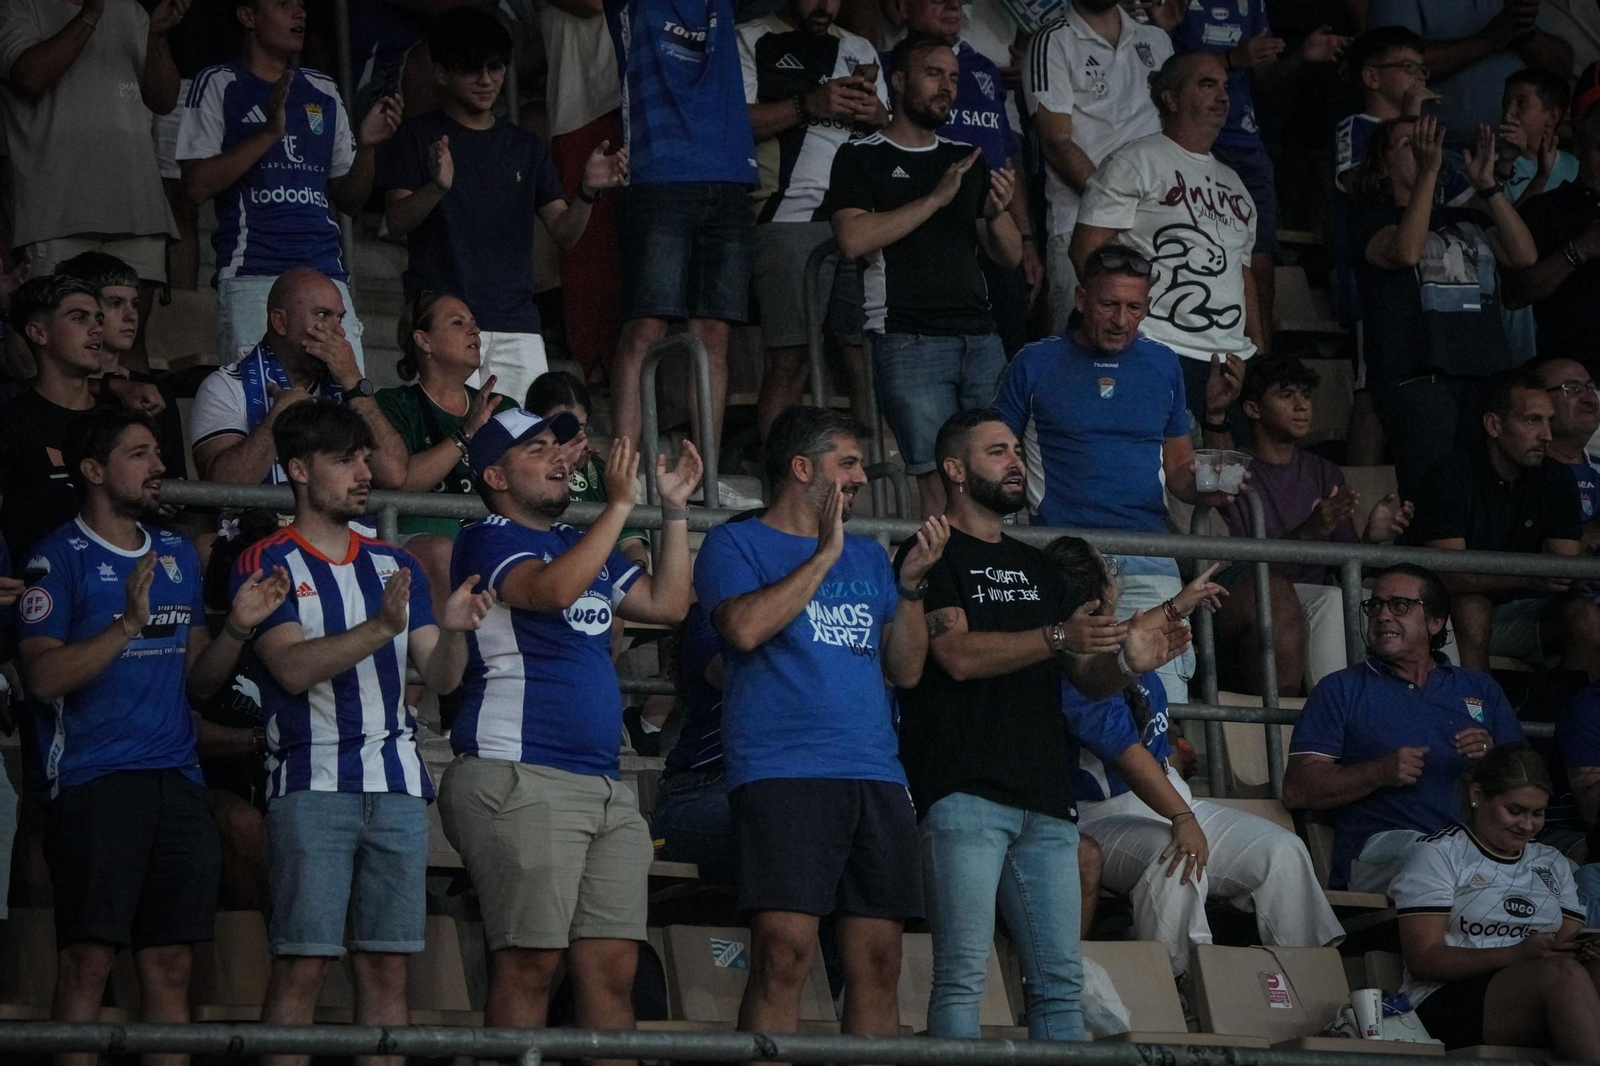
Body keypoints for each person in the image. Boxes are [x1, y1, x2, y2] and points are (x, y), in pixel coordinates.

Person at [897, 408, 1193, 1039]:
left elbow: (1084, 677)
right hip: (963, 790)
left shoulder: (1038, 567)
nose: (1013, 461)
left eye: (1014, 450)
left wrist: (1126, 664)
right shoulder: (932, 552)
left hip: (1047, 800)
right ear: (954, 468)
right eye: (996, 451)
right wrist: (1058, 634)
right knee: (961, 976)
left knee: (1059, 986)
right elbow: (956, 656)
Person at [16, 406, 288, 1066]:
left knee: (170, 967)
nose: (159, 466)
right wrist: (127, 626)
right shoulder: (56, 558)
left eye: (156, 453)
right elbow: (44, 679)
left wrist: (238, 628)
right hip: (92, 783)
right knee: (86, 961)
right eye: (139, 453)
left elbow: (199, 680)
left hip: (178, 782)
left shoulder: (173, 554)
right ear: (93, 470)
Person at [230, 400, 491, 1066]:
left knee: (386, 972)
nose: (363, 469)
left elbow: (438, 671)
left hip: (398, 787)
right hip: (311, 785)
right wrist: (380, 628)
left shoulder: (388, 560)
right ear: (296, 469)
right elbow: (289, 669)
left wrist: (459, 630)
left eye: (364, 456)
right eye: (343, 459)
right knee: (303, 969)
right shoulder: (266, 560)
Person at [692, 405, 947, 1042]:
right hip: (784, 771)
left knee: (880, 962)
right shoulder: (736, 542)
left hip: (875, 773)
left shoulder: (868, 556)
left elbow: (908, 670)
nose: (861, 476)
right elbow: (743, 629)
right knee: (782, 954)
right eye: (848, 463)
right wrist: (824, 555)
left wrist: (910, 586)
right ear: (802, 468)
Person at [441, 409, 701, 1029]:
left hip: (603, 786)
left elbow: (669, 606)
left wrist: (672, 510)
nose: (560, 457)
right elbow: (551, 592)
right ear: (496, 475)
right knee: (529, 966)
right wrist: (615, 508)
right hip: (519, 774)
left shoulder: (578, 545)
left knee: (614, 974)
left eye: (561, 446)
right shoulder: (487, 536)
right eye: (538, 449)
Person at [1048, 534, 1343, 981]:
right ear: (1093, 604)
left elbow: (1134, 629)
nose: (1116, 571)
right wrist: (1183, 818)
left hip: (1171, 799)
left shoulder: (1116, 638)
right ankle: (1182, 990)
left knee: (1282, 852)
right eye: (1108, 567)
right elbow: (1129, 758)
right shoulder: (1076, 672)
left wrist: (1178, 604)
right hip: (1101, 816)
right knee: (1175, 858)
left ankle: (1316, 991)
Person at [993, 244, 1242, 703]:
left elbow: (1182, 473)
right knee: (1075, 704)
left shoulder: (1162, 363)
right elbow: (990, 455)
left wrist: (1212, 486)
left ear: (1148, 306)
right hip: (1064, 559)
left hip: (1150, 552)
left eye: (1134, 307)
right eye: (1109, 304)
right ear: (1082, 299)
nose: (1121, 320)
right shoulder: (1035, 362)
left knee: (1160, 705)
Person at [378, 8, 629, 406]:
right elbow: (396, 220)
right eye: (471, 69)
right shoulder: (417, 136)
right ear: (441, 72)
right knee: (454, 449)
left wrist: (586, 192)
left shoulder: (525, 146)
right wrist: (437, 187)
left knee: (527, 446)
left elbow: (563, 231)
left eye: (496, 67)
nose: (486, 80)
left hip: (517, 323)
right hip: (443, 321)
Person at [826, 33, 1020, 518]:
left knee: (995, 474)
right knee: (937, 481)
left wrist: (997, 213)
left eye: (953, 77)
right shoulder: (860, 155)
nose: (947, 86)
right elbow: (852, 239)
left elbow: (1010, 256)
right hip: (908, 337)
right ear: (898, 79)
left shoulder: (964, 157)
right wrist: (935, 198)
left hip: (980, 337)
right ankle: (946, 586)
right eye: (934, 73)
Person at [177, 0, 403, 365]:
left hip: (326, 275)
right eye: (284, 4)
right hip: (253, 275)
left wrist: (369, 148)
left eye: (301, 4)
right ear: (247, 15)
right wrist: (268, 133)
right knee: (262, 409)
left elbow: (349, 199)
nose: (300, 13)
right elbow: (194, 186)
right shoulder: (218, 82)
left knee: (342, 410)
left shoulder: (324, 90)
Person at [1283, 563, 1525, 892]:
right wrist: (1378, 772)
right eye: (1375, 605)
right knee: (1437, 858)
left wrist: (1494, 758)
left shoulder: (1480, 688)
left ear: (1436, 622)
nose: (1382, 615)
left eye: (1399, 605)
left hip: (1478, 845)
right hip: (1383, 849)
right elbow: (1297, 789)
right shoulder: (1341, 689)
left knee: (1558, 870)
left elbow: (1529, 781)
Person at [1346, 114, 1537, 502]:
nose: (1423, 149)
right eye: (1408, 144)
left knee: (1486, 493)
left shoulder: (1466, 217)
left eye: (1428, 141)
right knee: (1433, 494)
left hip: (1485, 375)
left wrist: (1487, 185)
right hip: (1418, 379)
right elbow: (1406, 250)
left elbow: (1524, 254)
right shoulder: (1371, 221)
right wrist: (1430, 172)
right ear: (1382, 166)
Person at [1069, 50, 1262, 430]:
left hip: (1228, 360)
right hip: (1156, 346)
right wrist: (1125, 331)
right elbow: (1085, 251)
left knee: (1218, 481)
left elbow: (1243, 277)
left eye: (1225, 86)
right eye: (1207, 85)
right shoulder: (1134, 161)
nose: (1223, 96)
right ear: (1170, 98)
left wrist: (1258, 350)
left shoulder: (1236, 185)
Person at [605, 0, 756, 453]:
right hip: (659, 172)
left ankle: (701, 471)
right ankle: (624, 470)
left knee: (713, 334)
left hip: (730, 175)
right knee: (645, 327)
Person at [1216, 354, 1414, 692]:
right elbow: (1244, 569)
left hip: (1318, 594)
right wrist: (1309, 530)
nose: (1301, 405)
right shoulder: (1238, 471)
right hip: (1265, 602)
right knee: (1332, 600)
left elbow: (1345, 569)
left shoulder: (1324, 471)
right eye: (1286, 394)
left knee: (1414, 606)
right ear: (1252, 409)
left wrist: (1371, 540)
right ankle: (1334, 719)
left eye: (1306, 396)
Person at [1153, 0, 1348, 342]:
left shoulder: (1251, 3)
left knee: (1259, 256)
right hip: (1186, 137)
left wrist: (1302, 55)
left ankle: (1261, 359)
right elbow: (1159, 71)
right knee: (1189, 247)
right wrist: (1232, 59)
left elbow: (1267, 80)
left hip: (1246, 141)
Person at [1389, 746, 1599, 1059]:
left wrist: (1586, 948)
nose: (1527, 826)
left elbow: (1567, 942)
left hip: (1541, 989)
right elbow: (1424, 959)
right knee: (1563, 977)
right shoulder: (1439, 854)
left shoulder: (1552, 862)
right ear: (1477, 795)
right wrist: (1515, 954)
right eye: (1515, 811)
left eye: (1537, 813)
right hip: (1445, 998)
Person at [739, 0, 886, 438]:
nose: (825, 5)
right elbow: (733, 124)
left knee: (866, 361)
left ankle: (866, 492)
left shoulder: (860, 48)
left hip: (861, 218)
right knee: (791, 360)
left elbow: (892, 131)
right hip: (787, 216)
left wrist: (879, 116)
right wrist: (808, 105)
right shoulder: (749, 38)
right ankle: (776, 487)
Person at [0, 0, 183, 348]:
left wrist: (157, 37)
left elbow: (163, 100)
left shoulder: (131, 11)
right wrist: (92, 11)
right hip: (55, 215)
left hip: (136, 211)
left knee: (129, 345)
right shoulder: (18, 6)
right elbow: (30, 76)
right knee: (53, 347)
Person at [1412, 369, 1600, 679]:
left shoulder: (1555, 477)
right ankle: (1479, 712)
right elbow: (1447, 574)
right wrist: (1531, 577)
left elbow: (1563, 564)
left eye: (1549, 421)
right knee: (1473, 606)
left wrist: (1568, 575)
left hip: (1526, 611)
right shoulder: (1450, 475)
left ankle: (1573, 720)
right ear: (1494, 425)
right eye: (1532, 421)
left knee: (1586, 614)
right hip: (1445, 615)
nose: (1547, 435)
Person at [886, 0, 1039, 355]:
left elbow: (1003, 156)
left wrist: (1027, 238)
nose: (953, 4)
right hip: (927, 233)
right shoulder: (885, 65)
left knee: (1008, 347)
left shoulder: (982, 66)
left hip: (992, 226)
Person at [1025, 0, 1172, 330]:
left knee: (1152, 362)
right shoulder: (1052, 40)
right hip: (1079, 228)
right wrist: (1116, 209)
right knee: (1076, 363)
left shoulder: (1157, 39)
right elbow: (1056, 142)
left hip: (1155, 229)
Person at [190, 268, 407, 488]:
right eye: (322, 315)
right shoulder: (225, 386)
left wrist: (354, 381)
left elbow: (394, 475)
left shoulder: (349, 389)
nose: (339, 332)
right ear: (280, 322)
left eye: (339, 318)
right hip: (265, 522)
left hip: (345, 522)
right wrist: (279, 419)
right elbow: (222, 490)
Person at [374, 291, 515, 608]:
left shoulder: (501, 406)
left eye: (474, 323)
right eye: (458, 322)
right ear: (423, 341)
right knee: (443, 553)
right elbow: (402, 482)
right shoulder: (394, 404)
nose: (474, 331)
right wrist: (468, 432)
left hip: (488, 537)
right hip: (419, 538)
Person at [1364, 0, 1571, 153]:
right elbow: (1390, 63)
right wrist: (1488, 40)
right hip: (1439, 159)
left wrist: (1525, 35)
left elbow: (1562, 67)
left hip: (1525, 157)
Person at [55, 251, 187, 481]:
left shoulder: (154, 394)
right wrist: (112, 387)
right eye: (115, 303)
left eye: (135, 304)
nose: (132, 315)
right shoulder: (50, 392)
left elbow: (175, 481)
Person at [1506, 101, 1600, 369]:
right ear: (1579, 150)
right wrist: (1580, 249)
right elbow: (1513, 294)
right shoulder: (1546, 210)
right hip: (1570, 378)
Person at [523, 370, 649, 569]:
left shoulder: (601, 470)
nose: (573, 434)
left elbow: (630, 543)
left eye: (580, 426)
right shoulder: (517, 464)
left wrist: (635, 569)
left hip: (599, 579)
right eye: (562, 424)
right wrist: (562, 467)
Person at [650, 602, 733, 880]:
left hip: (781, 792)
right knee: (780, 827)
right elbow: (729, 671)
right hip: (699, 790)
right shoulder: (712, 611)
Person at [1498, 69, 1577, 358]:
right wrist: (1539, 178)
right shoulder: (1492, 169)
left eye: (1521, 103)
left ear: (1552, 116)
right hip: (1519, 312)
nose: (1509, 113)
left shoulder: (1578, 169)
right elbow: (1501, 238)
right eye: (1505, 103)